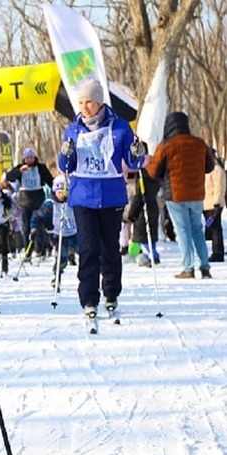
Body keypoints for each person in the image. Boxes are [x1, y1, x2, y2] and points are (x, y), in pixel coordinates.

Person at [58, 78, 145, 316]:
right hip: (83, 197)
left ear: (99, 103)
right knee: (87, 249)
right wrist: (66, 155)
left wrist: (138, 152)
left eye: (89, 102)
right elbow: (65, 165)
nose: (84, 107)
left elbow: (135, 161)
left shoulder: (120, 127)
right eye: (81, 102)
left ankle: (111, 292)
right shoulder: (73, 130)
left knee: (110, 248)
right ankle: (88, 298)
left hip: (111, 197)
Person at [145, 111, 215, 278]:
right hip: (197, 193)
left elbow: (154, 171)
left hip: (175, 194)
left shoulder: (166, 146)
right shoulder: (199, 144)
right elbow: (210, 166)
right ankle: (205, 267)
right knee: (198, 229)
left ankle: (188, 267)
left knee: (183, 230)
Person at [31, 175, 78, 288]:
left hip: (75, 233)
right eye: (60, 192)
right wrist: (34, 227)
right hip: (58, 234)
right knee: (62, 257)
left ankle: (91, 276)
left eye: (66, 192)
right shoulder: (49, 204)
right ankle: (57, 277)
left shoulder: (74, 202)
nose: (63, 195)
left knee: (86, 253)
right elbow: (38, 216)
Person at [5, 147, 54, 253]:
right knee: (26, 226)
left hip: (38, 199)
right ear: (24, 159)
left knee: (39, 224)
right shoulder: (20, 168)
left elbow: (49, 180)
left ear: (34, 158)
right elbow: (9, 177)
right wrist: (18, 171)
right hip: (25, 200)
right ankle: (28, 249)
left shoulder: (40, 168)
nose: (29, 160)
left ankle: (41, 248)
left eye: (31, 158)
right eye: (27, 158)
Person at [125, 158, 161, 267]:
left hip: (143, 210)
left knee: (143, 236)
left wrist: (131, 214)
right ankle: (153, 255)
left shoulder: (142, 178)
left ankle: (151, 255)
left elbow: (138, 197)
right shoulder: (155, 177)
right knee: (151, 233)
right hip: (153, 206)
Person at [204, 151, 226, 262]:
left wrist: (217, 203)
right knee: (212, 229)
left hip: (213, 204)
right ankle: (215, 251)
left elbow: (219, 188)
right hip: (207, 204)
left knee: (216, 229)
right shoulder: (208, 169)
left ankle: (218, 253)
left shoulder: (217, 170)